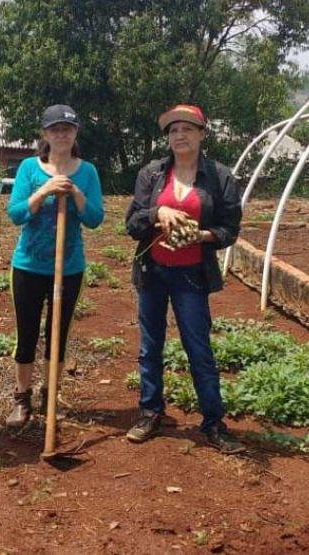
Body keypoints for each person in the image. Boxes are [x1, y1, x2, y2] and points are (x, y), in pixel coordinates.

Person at [124, 104, 244, 453]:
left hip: (192, 275)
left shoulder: (219, 177)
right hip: (153, 272)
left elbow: (230, 229)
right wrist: (156, 212)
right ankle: (150, 412)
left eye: (187, 129)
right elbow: (132, 225)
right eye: (173, 130)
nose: (179, 135)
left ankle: (213, 422)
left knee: (199, 348)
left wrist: (202, 236)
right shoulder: (152, 174)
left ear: (202, 134)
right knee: (150, 347)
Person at [5, 104, 104, 428]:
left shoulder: (86, 171)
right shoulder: (29, 169)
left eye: (68, 128)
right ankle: (22, 398)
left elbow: (94, 219)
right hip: (29, 267)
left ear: (75, 133)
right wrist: (45, 190)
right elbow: (16, 213)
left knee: (57, 335)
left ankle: (50, 394)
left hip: (69, 268)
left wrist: (74, 191)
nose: (61, 133)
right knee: (27, 334)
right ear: (45, 134)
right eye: (55, 128)